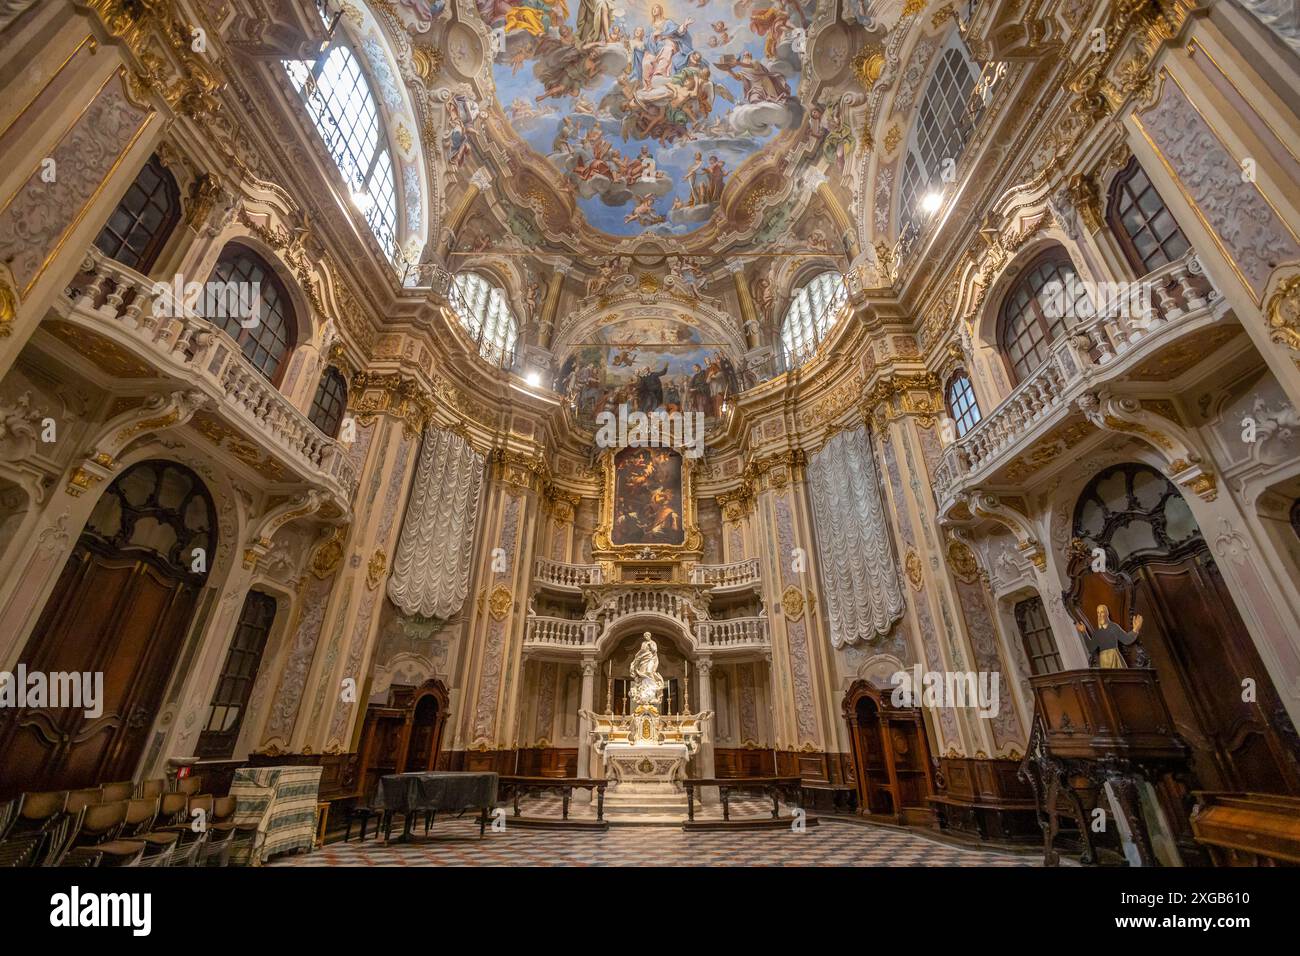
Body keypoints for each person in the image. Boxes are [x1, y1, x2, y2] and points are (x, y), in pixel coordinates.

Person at [1075, 604, 1144, 668]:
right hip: (1104, 661)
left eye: (1102, 612)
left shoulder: (1113, 627)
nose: (1100, 615)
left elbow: (1126, 639)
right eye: (1098, 613)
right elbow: (1091, 647)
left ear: (1107, 613)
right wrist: (1084, 632)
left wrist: (1135, 629)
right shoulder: (1097, 633)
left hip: (1115, 658)